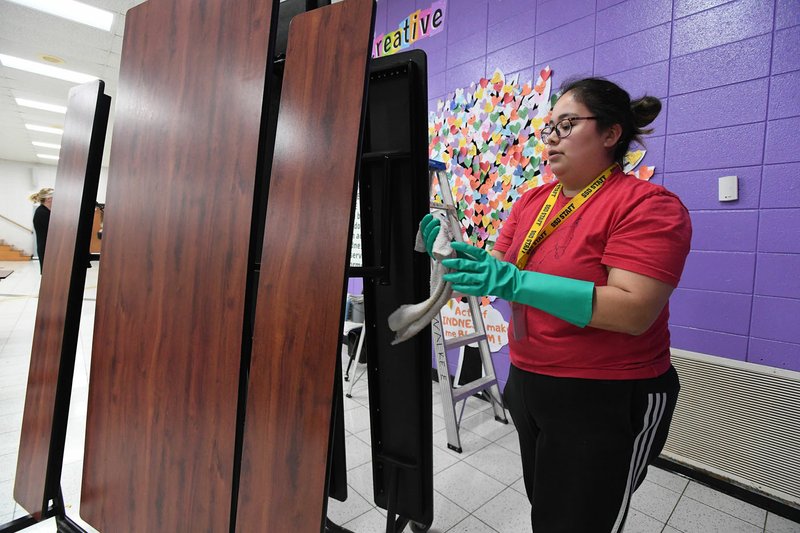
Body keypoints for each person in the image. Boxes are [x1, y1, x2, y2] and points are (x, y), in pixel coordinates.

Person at [421, 78, 692, 532]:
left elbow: (632, 309)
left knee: (582, 521)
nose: (550, 138)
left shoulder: (647, 205)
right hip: (530, 380)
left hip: (605, 393)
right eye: (548, 128)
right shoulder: (533, 201)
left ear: (610, 134)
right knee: (546, 508)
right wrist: (455, 253)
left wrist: (512, 279)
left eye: (566, 125)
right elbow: (502, 268)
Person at [29, 187, 54, 273]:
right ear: (48, 199)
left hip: (50, 248)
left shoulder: (47, 211)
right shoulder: (41, 213)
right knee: (49, 276)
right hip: (46, 249)